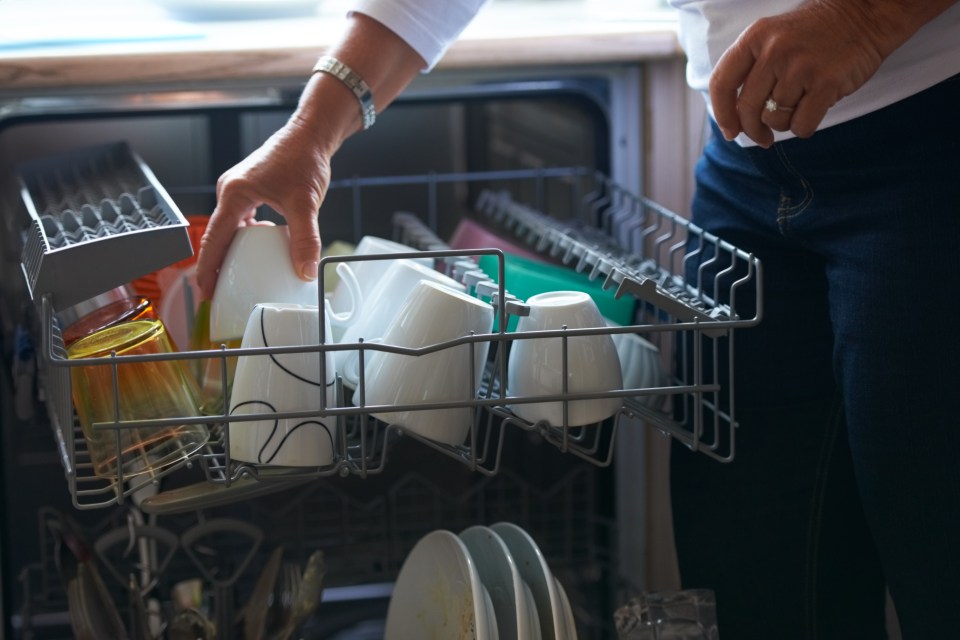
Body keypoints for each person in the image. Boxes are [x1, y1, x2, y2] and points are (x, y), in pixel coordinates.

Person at [195, 0, 960, 637]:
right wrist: (312, 132)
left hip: (928, 141)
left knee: (938, 558)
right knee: (757, 579)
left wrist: (863, 19)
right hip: (746, 159)